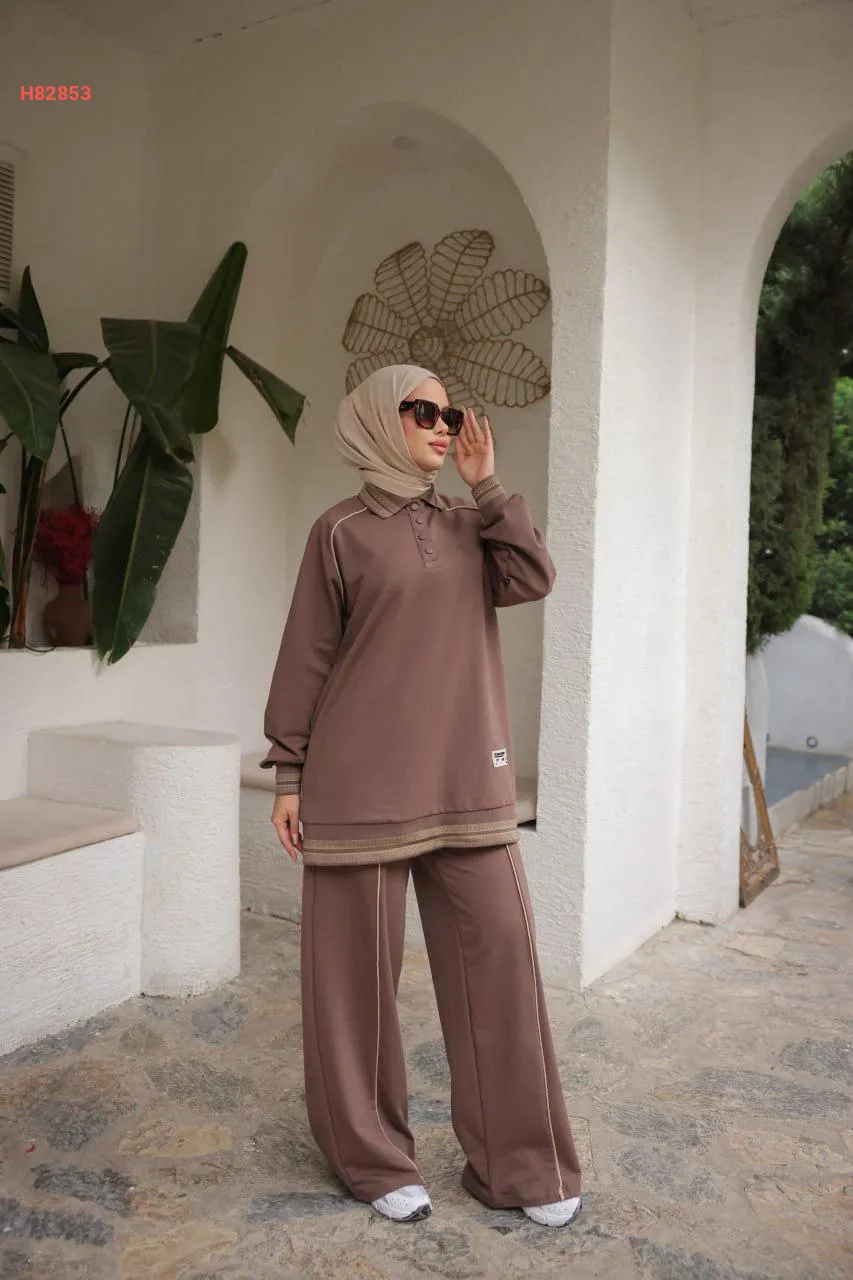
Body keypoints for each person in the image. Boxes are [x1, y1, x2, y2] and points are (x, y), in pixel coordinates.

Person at [260, 364, 582, 1227]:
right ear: (379, 419)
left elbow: (534, 577)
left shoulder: (474, 525)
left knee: (500, 963)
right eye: (422, 411)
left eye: (449, 412)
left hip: (467, 777)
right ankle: (371, 1160)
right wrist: (290, 773)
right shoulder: (339, 532)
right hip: (357, 785)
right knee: (352, 988)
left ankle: (523, 1165)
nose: (443, 425)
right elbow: (307, 656)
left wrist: (488, 486)